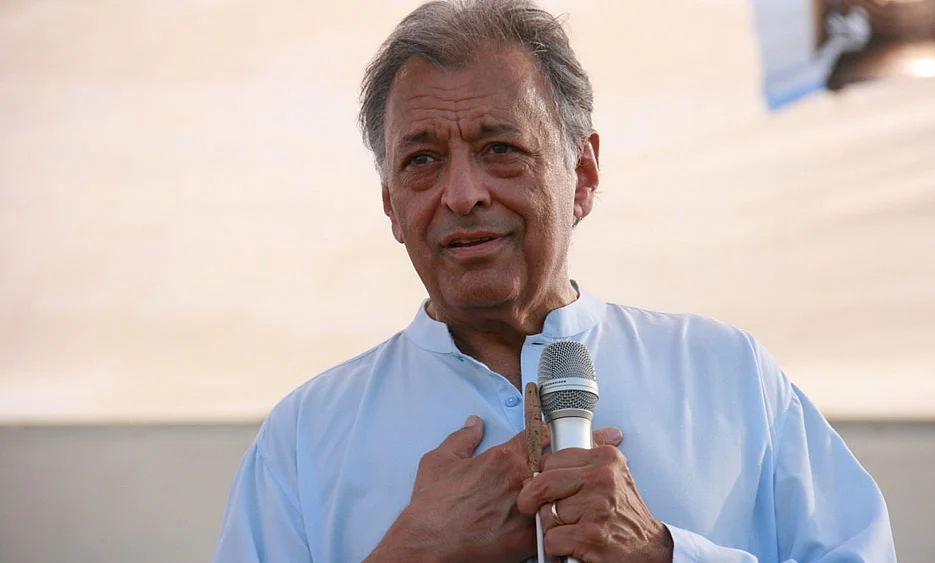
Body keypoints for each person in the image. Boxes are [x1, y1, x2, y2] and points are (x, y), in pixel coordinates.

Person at [213, 1, 897, 561]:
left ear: (585, 175)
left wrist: (664, 552)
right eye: (422, 159)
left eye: (499, 149)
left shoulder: (727, 376)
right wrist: (410, 553)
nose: (461, 193)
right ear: (391, 204)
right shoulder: (305, 437)